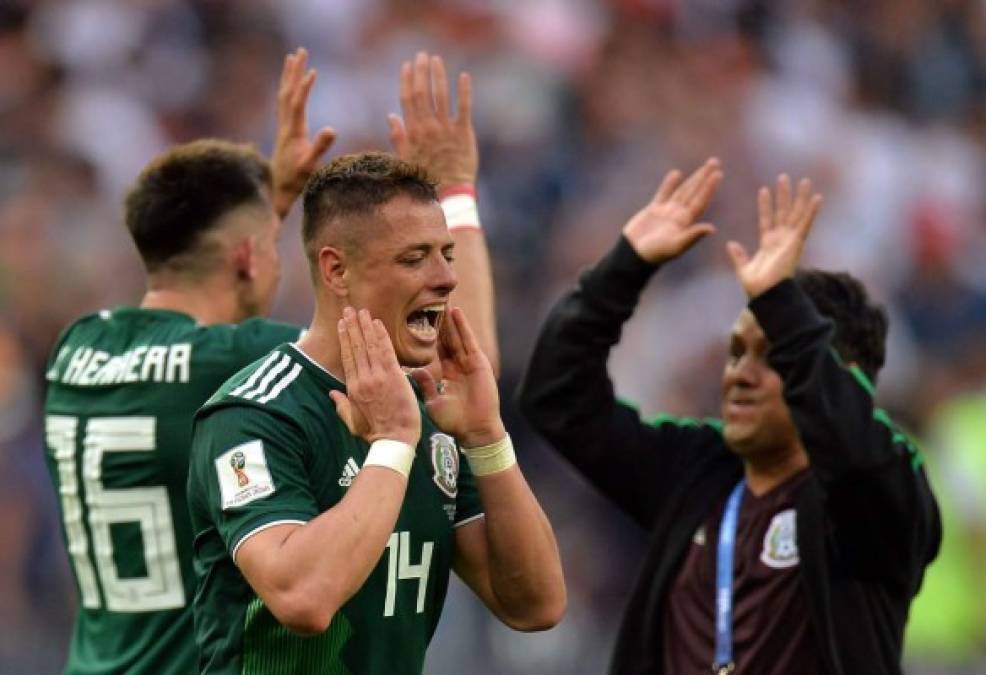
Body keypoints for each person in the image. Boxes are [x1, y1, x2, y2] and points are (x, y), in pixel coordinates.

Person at [517, 159, 941, 674]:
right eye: (737, 352)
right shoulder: (697, 472)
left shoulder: (875, 502)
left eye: (773, 354)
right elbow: (557, 398)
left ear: (841, 374)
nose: (740, 373)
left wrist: (781, 303)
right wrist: (623, 269)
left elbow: (856, 452)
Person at [186, 147, 566, 673]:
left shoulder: (436, 409)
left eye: (447, 255)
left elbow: (535, 605)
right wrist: (391, 444)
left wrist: (486, 435)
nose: (445, 279)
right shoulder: (254, 414)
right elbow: (302, 599)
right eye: (414, 259)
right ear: (337, 270)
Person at [41, 47, 332, 675]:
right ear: (249, 258)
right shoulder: (238, 358)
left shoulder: (77, 348)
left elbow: (206, 302)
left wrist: (269, 208)